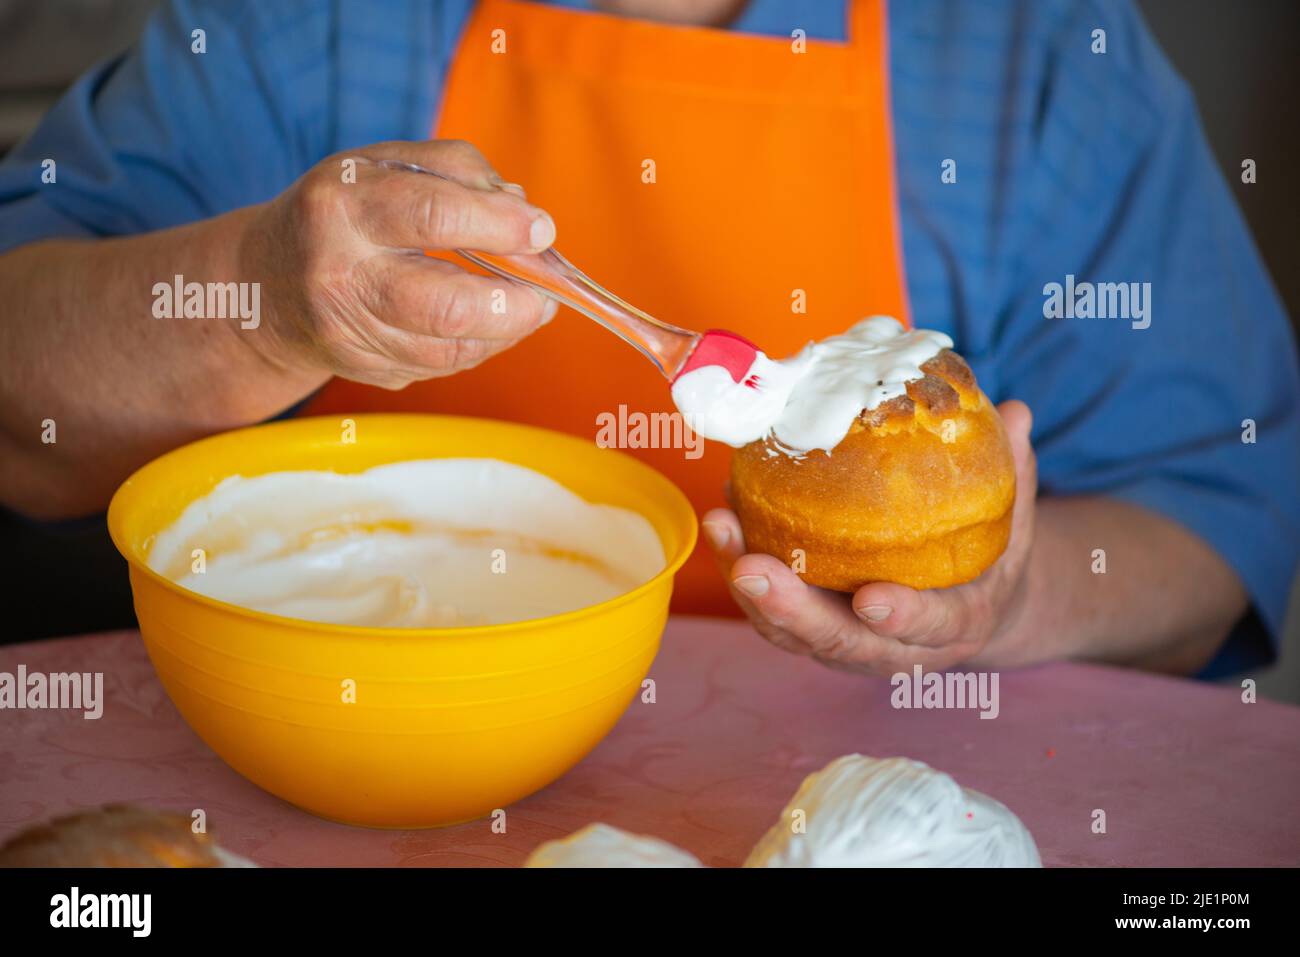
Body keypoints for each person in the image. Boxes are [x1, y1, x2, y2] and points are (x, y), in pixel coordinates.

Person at [0, 0, 1296, 678]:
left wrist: (999, 609)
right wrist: (257, 292)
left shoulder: (1035, 48)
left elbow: (1222, 519)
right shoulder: (309, 22)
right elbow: (22, 410)